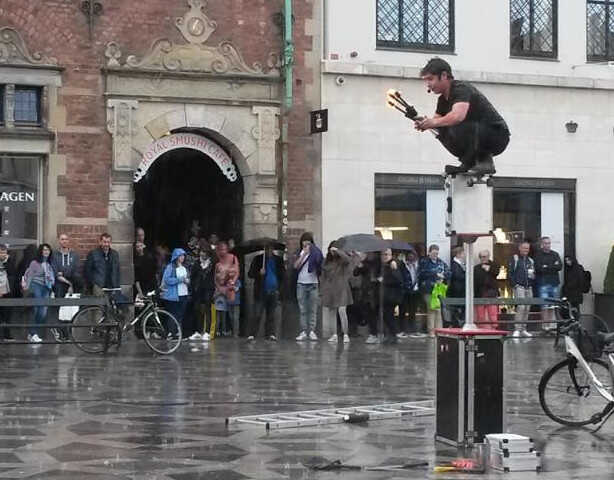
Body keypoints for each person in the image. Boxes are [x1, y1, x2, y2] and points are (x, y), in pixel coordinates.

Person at [415, 57, 510, 175]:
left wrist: (432, 123)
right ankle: (468, 162)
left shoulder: (461, 88)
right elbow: (437, 123)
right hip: (476, 136)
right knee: (442, 131)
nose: (428, 84)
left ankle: (485, 161)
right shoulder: (442, 100)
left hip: (496, 134)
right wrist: (425, 123)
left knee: (455, 122)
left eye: (430, 79)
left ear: (444, 75)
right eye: (426, 80)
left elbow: (457, 116)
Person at [247, 244, 285, 341]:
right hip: (261, 291)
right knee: (257, 313)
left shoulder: (278, 260)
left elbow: (282, 275)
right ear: (264, 249)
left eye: (271, 248)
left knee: (271, 315)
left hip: (274, 291)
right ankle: (252, 334)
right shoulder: (258, 259)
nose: (269, 250)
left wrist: (280, 289)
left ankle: (270, 334)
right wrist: (259, 273)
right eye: (267, 248)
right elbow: (250, 274)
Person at [319, 242, 354, 344]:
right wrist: (322, 291)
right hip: (330, 289)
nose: (332, 251)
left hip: (342, 288)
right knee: (331, 312)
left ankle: (345, 334)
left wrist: (338, 251)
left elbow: (347, 260)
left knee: (342, 311)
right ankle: (334, 334)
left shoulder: (342, 260)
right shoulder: (326, 261)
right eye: (331, 249)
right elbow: (323, 277)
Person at [50, 233, 82, 341]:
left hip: (72, 286)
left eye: (66, 239)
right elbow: (55, 272)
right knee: (60, 309)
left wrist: (64, 273)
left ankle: (69, 332)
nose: (64, 241)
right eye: (62, 239)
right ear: (59, 241)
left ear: (69, 241)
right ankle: (61, 332)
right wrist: (66, 278)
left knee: (71, 309)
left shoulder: (74, 255)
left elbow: (75, 271)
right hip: (60, 285)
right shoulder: (54, 255)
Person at [22, 244, 55, 343]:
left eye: (48, 250)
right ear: (40, 251)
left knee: (43, 312)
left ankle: (32, 333)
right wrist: (27, 288)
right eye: (44, 250)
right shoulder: (34, 263)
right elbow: (30, 276)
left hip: (46, 288)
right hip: (36, 286)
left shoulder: (49, 264)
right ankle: (34, 333)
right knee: (36, 309)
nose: (46, 252)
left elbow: (52, 279)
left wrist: (51, 280)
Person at [293, 232, 323, 341]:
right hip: (301, 283)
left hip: (313, 283)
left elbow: (320, 265)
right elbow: (295, 266)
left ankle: (312, 331)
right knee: (303, 309)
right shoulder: (299, 252)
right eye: (304, 242)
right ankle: (303, 331)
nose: (306, 244)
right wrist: (304, 254)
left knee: (313, 309)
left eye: (308, 242)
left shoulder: (316, 253)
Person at [418, 244, 450, 337]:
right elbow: (422, 273)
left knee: (439, 310)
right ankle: (431, 330)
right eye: (434, 253)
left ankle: (439, 330)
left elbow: (448, 272)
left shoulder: (441, 262)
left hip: (439, 289)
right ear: (429, 252)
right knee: (432, 309)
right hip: (428, 289)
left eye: (437, 253)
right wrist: (435, 274)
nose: (435, 255)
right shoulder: (424, 261)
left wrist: (444, 275)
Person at [534, 236, 563, 331]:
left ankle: (551, 326)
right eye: (546, 243)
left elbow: (559, 266)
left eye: (549, 243)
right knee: (544, 306)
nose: (548, 245)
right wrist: (552, 266)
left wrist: (546, 266)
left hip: (554, 283)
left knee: (553, 305)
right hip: (543, 284)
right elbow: (539, 269)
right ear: (542, 244)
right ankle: (545, 326)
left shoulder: (555, 254)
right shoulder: (538, 255)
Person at [160, 248, 190, 337]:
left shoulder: (185, 267)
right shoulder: (170, 267)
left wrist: (188, 281)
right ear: (176, 257)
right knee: (173, 314)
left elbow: (188, 278)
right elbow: (167, 280)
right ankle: (171, 333)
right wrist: (180, 280)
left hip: (183, 294)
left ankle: (178, 333)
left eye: (183, 255)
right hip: (174, 295)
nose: (182, 257)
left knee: (180, 315)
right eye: (181, 255)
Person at [189, 243, 215, 342]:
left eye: (204, 252)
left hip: (209, 289)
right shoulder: (196, 263)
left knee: (207, 310)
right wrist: (193, 288)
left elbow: (214, 277)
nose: (202, 254)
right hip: (198, 290)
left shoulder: (212, 263)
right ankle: (198, 331)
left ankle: (207, 332)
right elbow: (192, 277)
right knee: (197, 310)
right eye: (201, 252)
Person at [508, 241, 535, 338]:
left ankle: (523, 329)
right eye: (524, 248)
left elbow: (532, 275)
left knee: (527, 308)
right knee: (521, 307)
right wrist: (514, 285)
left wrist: (532, 278)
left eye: (527, 248)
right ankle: (517, 329)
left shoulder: (531, 261)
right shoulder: (515, 259)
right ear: (519, 248)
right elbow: (510, 273)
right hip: (519, 286)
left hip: (529, 287)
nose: (526, 250)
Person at [213, 241, 239, 336]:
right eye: (221, 249)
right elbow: (215, 277)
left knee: (232, 312)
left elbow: (237, 272)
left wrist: (233, 282)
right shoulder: (217, 262)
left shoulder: (233, 258)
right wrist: (219, 288)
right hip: (220, 290)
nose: (223, 251)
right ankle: (218, 330)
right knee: (220, 311)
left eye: (224, 249)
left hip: (231, 288)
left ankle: (233, 332)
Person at [380, 248, 404, 344]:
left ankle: (393, 335)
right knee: (386, 316)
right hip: (385, 296)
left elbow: (398, 280)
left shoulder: (393, 264)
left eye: (387, 254)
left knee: (389, 316)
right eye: (383, 254)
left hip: (392, 296)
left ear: (391, 255)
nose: (385, 256)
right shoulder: (384, 265)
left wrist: (383, 280)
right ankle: (390, 335)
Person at [398, 250, 422, 338]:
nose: (411, 257)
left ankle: (412, 330)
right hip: (405, 291)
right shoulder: (402, 265)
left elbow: (419, 275)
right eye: (409, 255)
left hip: (414, 291)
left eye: (413, 256)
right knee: (402, 311)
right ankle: (401, 330)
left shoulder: (417, 265)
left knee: (413, 311)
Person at [474, 249, 499, 329]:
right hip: (480, 293)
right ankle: (481, 332)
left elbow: (496, 273)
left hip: (491, 292)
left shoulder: (494, 265)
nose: (483, 258)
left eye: (484, 257)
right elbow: (474, 282)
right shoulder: (476, 268)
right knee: (480, 315)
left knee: (493, 314)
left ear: (488, 257)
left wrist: (489, 269)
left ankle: (494, 331)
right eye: (481, 257)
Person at [0, 244, 17, 340]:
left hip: (7, 290)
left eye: (4, 252)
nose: (3, 254)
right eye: (1, 252)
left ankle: (7, 334)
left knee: (7, 314)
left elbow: (12, 273)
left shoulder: (9, 262)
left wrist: (6, 262)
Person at [448, 246, 466, 327]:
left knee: (462, 309)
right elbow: (457, 275)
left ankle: (460, 323)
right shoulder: (455, 264)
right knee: (456, 309)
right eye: (463, 253)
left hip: (461, 289)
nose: (464, 255)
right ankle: (456, 325)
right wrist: (466, 275)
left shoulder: (461, 263)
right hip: (457, 289)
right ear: (458, 254)